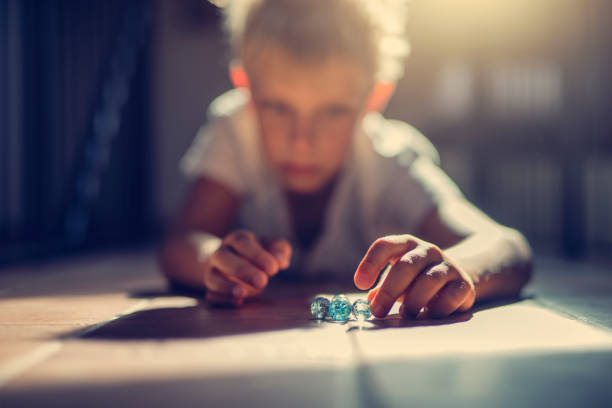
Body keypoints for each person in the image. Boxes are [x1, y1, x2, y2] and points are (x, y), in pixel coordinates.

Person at [159, 0, 532, 319]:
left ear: (374, 99)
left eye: (333, 111)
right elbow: (181, 242)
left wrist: (460, 269)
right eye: (278, 108)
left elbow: (506, 246)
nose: (302, 140)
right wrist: (213, 261)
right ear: (247, 90)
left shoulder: (389, 157)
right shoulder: (234, 130)